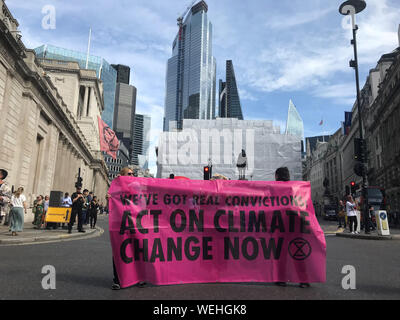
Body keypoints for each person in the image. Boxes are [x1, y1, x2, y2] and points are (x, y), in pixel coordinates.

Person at [274, 167, 310, 289]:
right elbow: (302, 207)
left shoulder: (274, 189)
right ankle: (304, 280)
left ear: (277, 176)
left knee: (281, 255)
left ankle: (281, 279)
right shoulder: (296, 188)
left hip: (280, 225)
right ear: (288, 176)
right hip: (296, 225)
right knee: (298, 254)